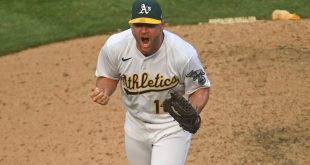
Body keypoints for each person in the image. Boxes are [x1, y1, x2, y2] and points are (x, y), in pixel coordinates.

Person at [90, 0, 211, 164]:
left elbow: (200, 88)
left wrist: (193, 110)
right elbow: (108, 78)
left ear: (162, 25)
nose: (144, 30)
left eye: (150, 25)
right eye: (138, 25)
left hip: (171, 126)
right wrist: (102, 91)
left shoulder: (182, 53)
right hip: (135, 125)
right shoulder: (115, 47)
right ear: (131, 26)